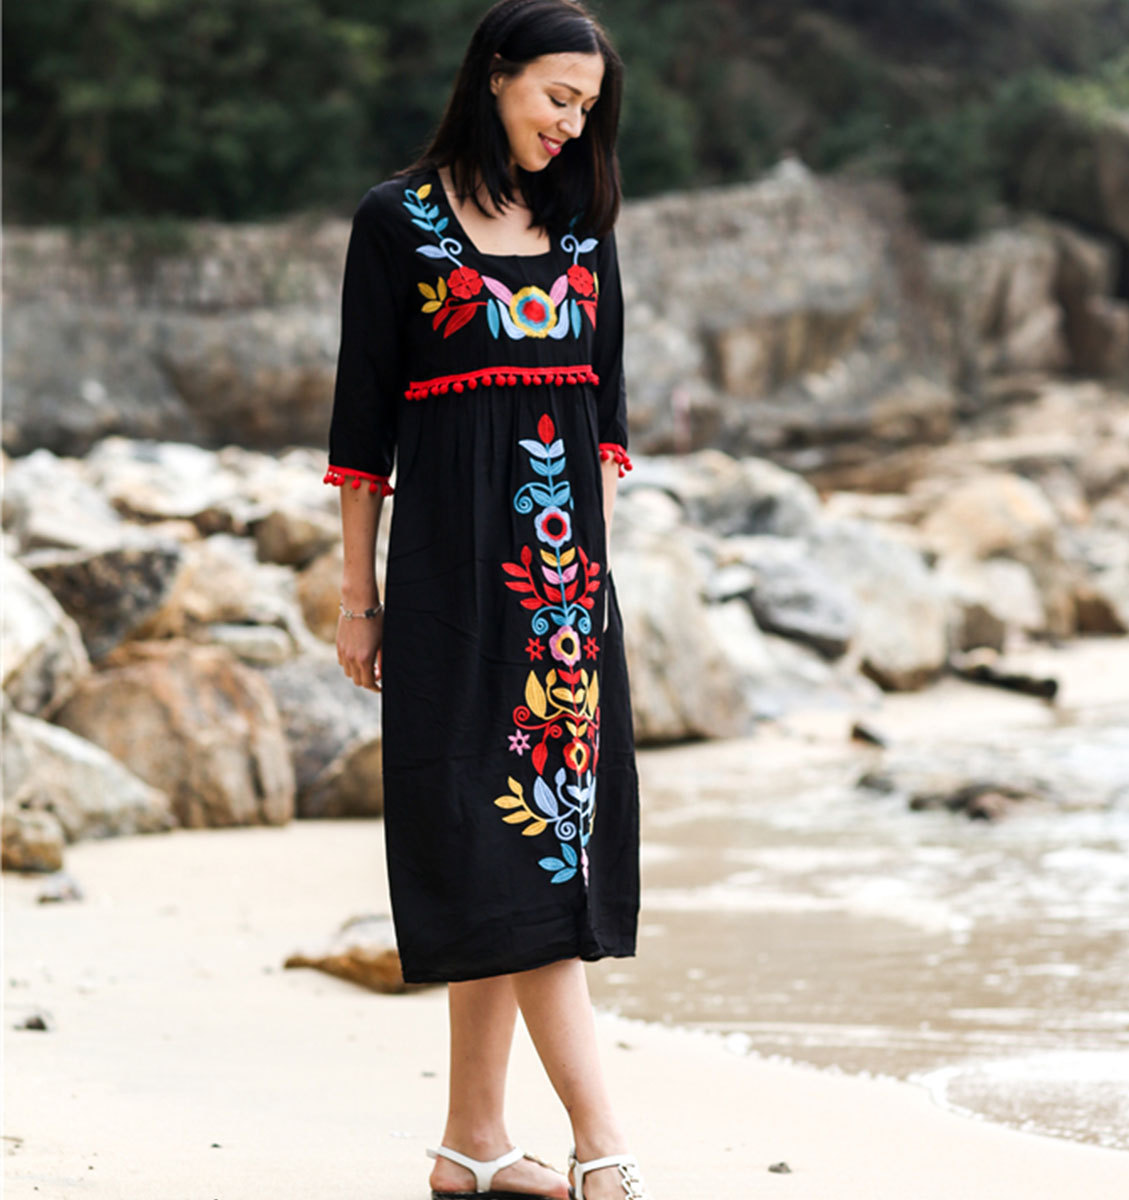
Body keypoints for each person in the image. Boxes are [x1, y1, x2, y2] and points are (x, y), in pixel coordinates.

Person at [323, 2, 647, 1197]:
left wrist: (594, 594)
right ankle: (602, 1147)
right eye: (559, 96)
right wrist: (357, 599)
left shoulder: (582, 231)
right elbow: (361, 430)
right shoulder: (396, 223)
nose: (573, 124)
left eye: (588, 108)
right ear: (497, 75)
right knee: (491, 846)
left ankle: (473, 1140)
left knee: (532, 857)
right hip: (446, 586)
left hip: (560, 600)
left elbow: (603, 428)